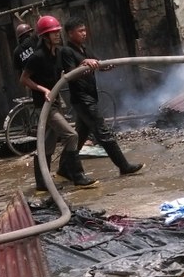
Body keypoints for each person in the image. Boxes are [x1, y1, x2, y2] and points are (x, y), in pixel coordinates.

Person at [20, 15, 98, 190]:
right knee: (72, 135)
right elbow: (24, 79)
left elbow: (69, 70)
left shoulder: (59, 52)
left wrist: (83, 62)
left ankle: (42, 184)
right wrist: (43, 89)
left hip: (55, 101)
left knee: (47, 143)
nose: (56, 35)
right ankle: (78, 176)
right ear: (44, 36)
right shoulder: (37, 56)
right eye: (52, 33)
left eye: (57, 31)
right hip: (44, 104)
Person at [59, 17, 144, 175]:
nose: (84, 33)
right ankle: (124, 166)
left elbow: (98, 64)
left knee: (80, 136)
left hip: (90, 96)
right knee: (103, 132)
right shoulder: (67, 51)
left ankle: (63, 168)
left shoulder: (83, 49)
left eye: (84, 30)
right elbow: (70, 74)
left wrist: (107, 66)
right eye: (80, 31)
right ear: (70, 34)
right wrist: (83, 64)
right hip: (82, 99)